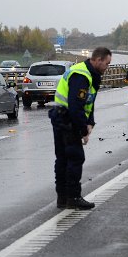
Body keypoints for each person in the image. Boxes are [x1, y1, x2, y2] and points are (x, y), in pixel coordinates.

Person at [50, 47, 113, 210]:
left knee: (63, 158)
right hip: (66, 119)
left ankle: (62, 198)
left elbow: (89, 103)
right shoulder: (82, 76)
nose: (107, 68)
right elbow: (76, 107)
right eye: (107, 64)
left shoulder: (90, 74)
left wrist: (90, 122)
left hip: (62, 117)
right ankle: (73, 197)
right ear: (98, 60)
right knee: (75, 157)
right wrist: (83, 131)